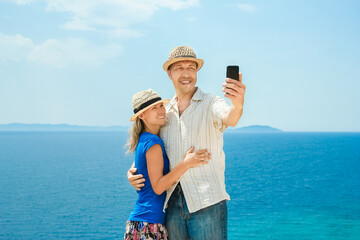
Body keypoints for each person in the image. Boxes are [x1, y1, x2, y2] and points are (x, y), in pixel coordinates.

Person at [128, 46, 246, 239]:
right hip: (172, 206)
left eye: (191, 67)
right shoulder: (165, 113)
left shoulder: (211, 103)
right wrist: (131, 172)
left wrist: (238, 103)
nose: (186, 73)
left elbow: (230, 118)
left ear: (197, 71)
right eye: (179, 68)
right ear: (169, 73)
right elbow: (149, 149)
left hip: (207, 203)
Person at [124, 89, 211, 240]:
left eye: (160, 105)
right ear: (141, 115)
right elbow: (158, 187)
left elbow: (140, 168)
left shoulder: (145, 139)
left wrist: (129, 174)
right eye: (153, 108)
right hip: (149, 224)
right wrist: (186, 164)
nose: (161, 111)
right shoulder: (153, 143)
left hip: (143, 222)